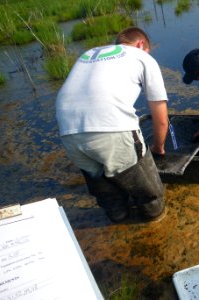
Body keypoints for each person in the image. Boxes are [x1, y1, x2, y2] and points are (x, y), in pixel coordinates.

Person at [55, 27, 169, 223]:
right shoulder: (142, 57)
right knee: (149, 193)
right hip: (112, 127)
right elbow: (160, 118)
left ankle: (119, 217)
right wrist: (158, 148)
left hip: (68, 131)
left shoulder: (88, 54)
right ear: (141, 44)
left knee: (106, 192)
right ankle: (154, 222)